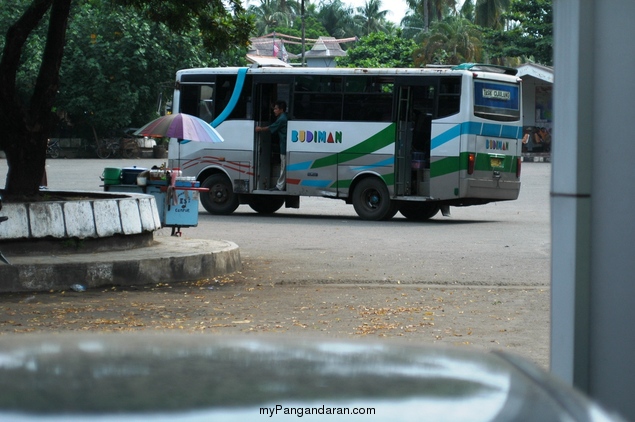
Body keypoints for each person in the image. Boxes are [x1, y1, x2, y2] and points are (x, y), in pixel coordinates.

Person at [255, 100, 288, 191]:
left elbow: (271, 127)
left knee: (283, 166)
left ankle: (280, 186)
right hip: (283, 145)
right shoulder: (284, 117)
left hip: (284, 146)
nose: (274, 110)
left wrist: (260, 128)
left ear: (281, 110)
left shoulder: (282, 119)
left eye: (276, 109)